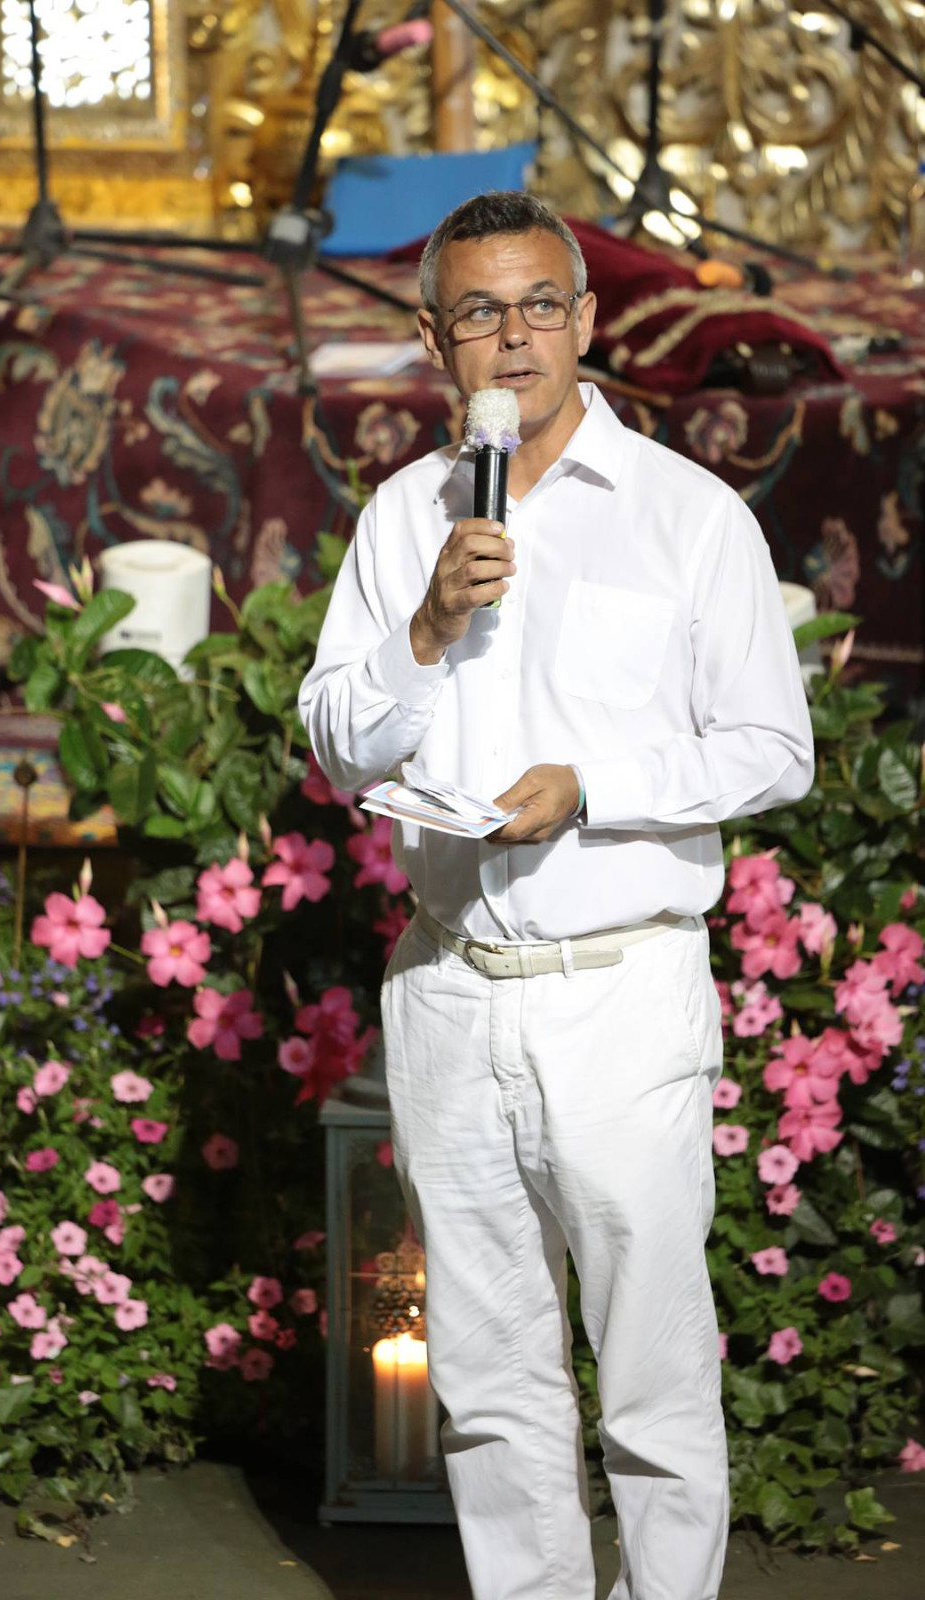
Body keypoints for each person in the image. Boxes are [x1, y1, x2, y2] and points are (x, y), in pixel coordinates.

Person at [298, 191, 814, 1600]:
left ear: (586, 322)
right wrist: (426, 626)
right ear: (434, 340)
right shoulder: (405, 518)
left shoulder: (686, 516)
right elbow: (339, 743)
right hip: (450, 986)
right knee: (489, 1380)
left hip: (618, 989)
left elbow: (772, 749)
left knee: (651, 1378)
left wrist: (592, 788)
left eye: (540, 306)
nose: (514, 338)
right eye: (481, 312)